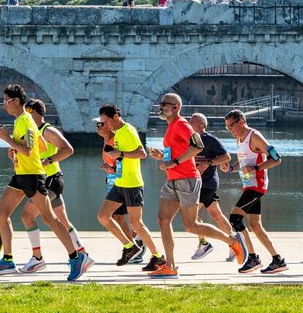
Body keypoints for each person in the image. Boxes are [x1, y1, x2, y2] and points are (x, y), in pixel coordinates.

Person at [0, 84, 88, 281]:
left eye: (6, 101)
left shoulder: (24, 120)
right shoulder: (23, 121)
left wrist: (8, 140)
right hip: (21, 174)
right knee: (1, 213)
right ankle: (7, 260)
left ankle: (77, 257)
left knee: (50, 218)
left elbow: (28, 150)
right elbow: (40, 145)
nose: (4, 105)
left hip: (33, 175)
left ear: (16, 101)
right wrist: (16, 150)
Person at [145, 94, 246, 277]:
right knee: (163, 220)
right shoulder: (171, 126)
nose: (160, 108)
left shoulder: (182, 124)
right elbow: (180, 150)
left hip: (187, 179)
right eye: (160, 104)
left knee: (191, 225)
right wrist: (163, 157)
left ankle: (231, 240)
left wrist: (174, 162)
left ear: (175, 107)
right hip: (172, 179)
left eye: (164, 105)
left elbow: (198, 146)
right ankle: (170, 266)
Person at [15, 99, 92, 274]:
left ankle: (37, 259)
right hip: (46, 179)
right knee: (62, 221)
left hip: (50, 180)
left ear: (35, 111)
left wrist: (48, 160)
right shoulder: (32, 130)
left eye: (27, 109)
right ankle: (83, 253)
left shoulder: (47, 131)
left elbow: (68, 149)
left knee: (27, 216)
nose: (25, 112)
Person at [95, 103, 165, 271]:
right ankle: (129, 246)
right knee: (103, 216)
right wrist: (112, 168)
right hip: (119, 182)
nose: (104, 125)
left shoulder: (128, 130)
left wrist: (120, 154)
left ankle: (158, 257)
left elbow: (142, 154)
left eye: (105, 121)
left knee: (136, 224)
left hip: (132, 184)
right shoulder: (118, 133)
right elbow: (123, 160)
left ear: (115, 117)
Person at [224, 108, 287, 274]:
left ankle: (252, 258)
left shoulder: (255, 137)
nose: (230, 130)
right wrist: (231, 168)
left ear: (242, 122)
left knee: (235, 218)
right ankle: (277, 260)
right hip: (248, 185)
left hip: (257, 186)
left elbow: (276, 159)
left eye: (232, 126)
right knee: (255, 225)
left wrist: (257, 168)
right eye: (227, 128)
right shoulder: (239, 138)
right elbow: (244, 160)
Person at [96, 115, 144, 262]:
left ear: (108, 125)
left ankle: (136, 245)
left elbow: (126, 160)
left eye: (100, 124)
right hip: (114, 181)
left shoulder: (116, 139)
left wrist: (113, 169)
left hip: (124, 181)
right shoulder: (107, 141)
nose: (98, 127)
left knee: (130, 220)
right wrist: (110, 169)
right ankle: (132, 246)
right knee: (117, 217)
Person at [190, 112, 236, 260]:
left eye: (192, 122)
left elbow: (226, 157)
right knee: (217, 216)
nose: (189, 124)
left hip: (207, 184)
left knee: (190, 215)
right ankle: (235, 244)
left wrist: (208, 163)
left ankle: (204, 244)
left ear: (201, 124)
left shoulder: (210, 140)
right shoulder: (191, 140)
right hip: (197, 183)